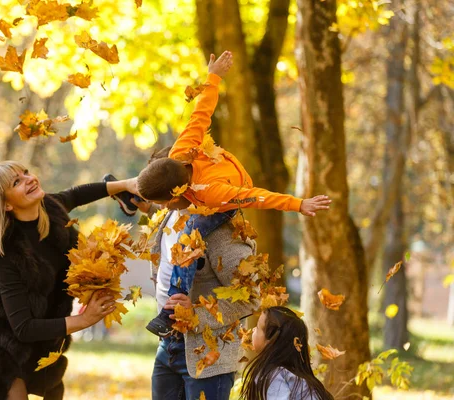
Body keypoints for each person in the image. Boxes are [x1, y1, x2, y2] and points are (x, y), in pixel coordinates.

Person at [130, 51, 331, 337]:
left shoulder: (215, 194)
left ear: (176, 197)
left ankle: (171, 309)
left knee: (191, 235)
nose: (160, 208)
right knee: (187, 227)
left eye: (162, 203)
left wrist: (299, 204)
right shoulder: (179, 153)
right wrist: (214, 77)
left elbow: (258, 196)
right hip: (209, 177)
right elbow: (201, 113)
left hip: (228, 193)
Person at [0, 160, 136, 400]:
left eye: (26, 172)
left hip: (40, 346)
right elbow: (23, 328)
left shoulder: (50, 209)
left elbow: (76, 194)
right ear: (6, 204)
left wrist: (127, 185)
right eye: (16, 182)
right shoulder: (7, 252)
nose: (28, 179)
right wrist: (83, 319)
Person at [139, 196, 257, 400]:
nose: (159, 204)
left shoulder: (221, 232)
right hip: (167, 345)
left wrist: (195, 313)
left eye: (161, 196)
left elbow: (251, 297)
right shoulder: (167, 217)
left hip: (209, 356)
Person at [241, 307, 334, 400]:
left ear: (271, 340)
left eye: (257, 328)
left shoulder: (273, 375)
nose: (253, 330)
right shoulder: (290, 374)